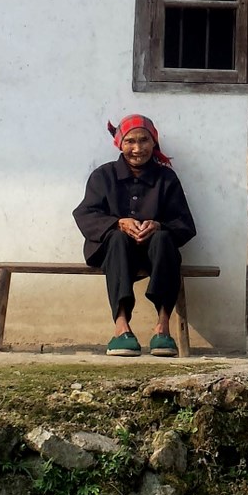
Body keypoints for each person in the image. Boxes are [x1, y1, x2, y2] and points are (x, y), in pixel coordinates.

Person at [73, 114, 196, 357]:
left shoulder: (166, 178)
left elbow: (184, 223)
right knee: (118, 239)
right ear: (120, 143)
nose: (137, 148)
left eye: (144, 141)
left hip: (155, 253)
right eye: (130, 141)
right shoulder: (103, 176)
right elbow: (85, 213)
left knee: (163, 240)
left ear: (154, 143)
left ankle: (163, 328)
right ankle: (121, 328)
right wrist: (117, 223)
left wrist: (159, 226)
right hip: (114, 251)